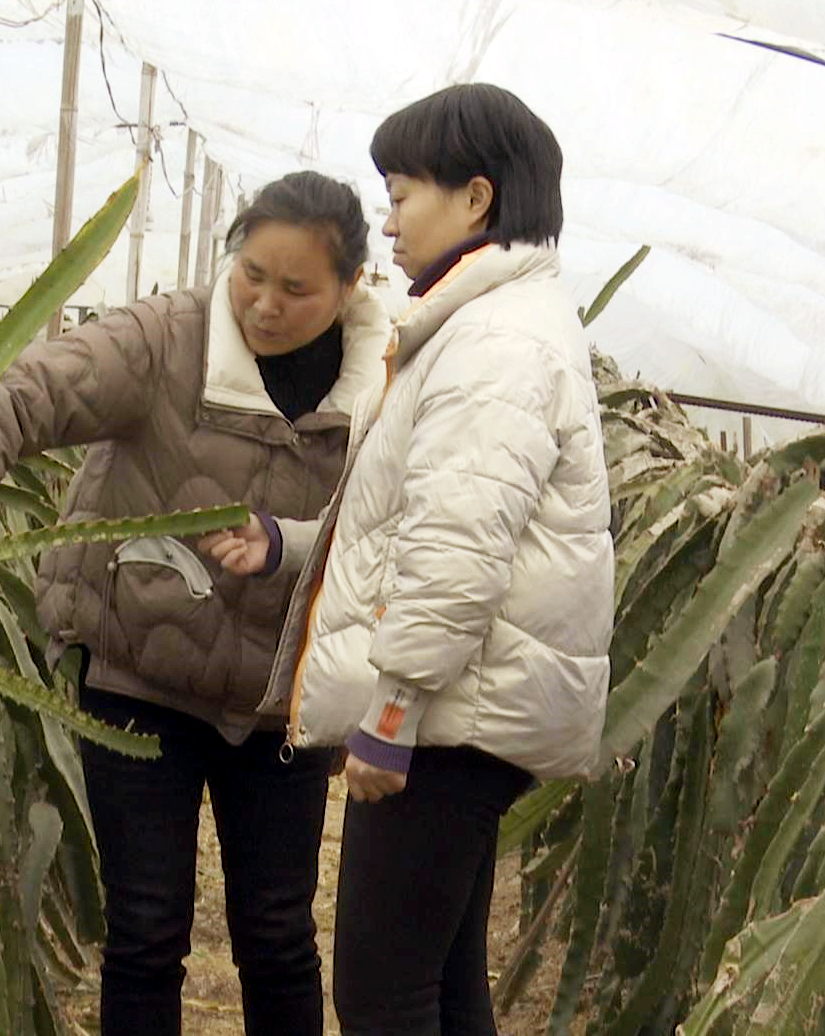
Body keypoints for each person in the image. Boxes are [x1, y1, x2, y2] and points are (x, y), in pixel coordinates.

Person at [0, 170, 392, 1036]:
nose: (265, 304)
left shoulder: (383, 391)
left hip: (278, 706)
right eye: (252, 273)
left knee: (278, 935)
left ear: (349, 288)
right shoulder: (166, 340)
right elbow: (28, 393)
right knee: (144, 932)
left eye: (297, 289)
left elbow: (393, 531)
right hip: (141, 681)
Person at [204, 84, 613, 1035]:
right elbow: (413, 526)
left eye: (402, 194)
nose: (386, 222)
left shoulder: (497, 344)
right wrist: (287, 546)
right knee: (443, 985)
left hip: (446, 720)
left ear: (476, 200)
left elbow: (457, 551)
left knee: (384, 997)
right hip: (469, 711)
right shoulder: (494, 325)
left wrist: (391, 712)